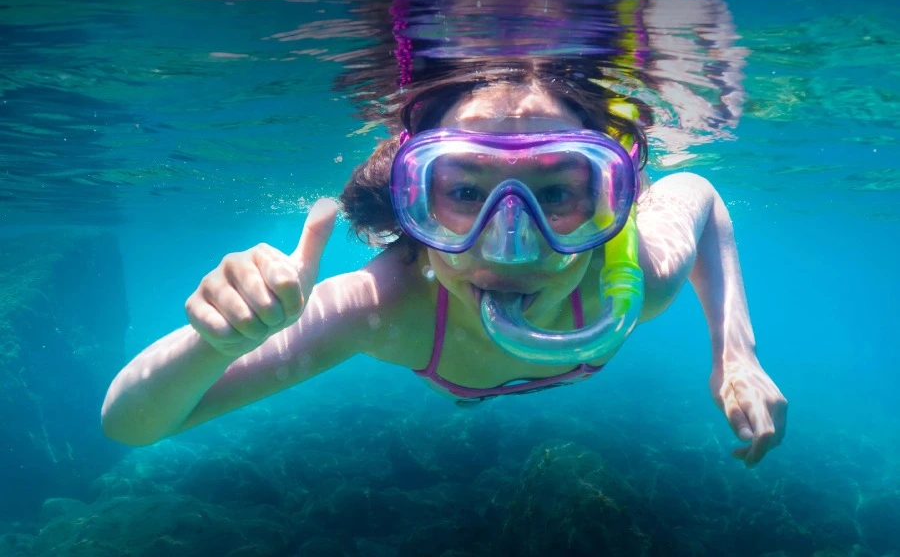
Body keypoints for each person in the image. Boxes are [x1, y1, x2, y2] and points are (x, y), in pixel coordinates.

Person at [101, 68, 787, 467]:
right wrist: (217, 341)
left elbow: (699, 193)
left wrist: (737, 354)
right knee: (463, 394)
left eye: (556, 194)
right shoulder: (382, 309)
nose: (509, 247)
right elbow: (131, 424)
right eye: (463, 193)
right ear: (412, 209)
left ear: (608, 201)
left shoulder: (632, 281)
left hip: (469, 364)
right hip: (456, 382)